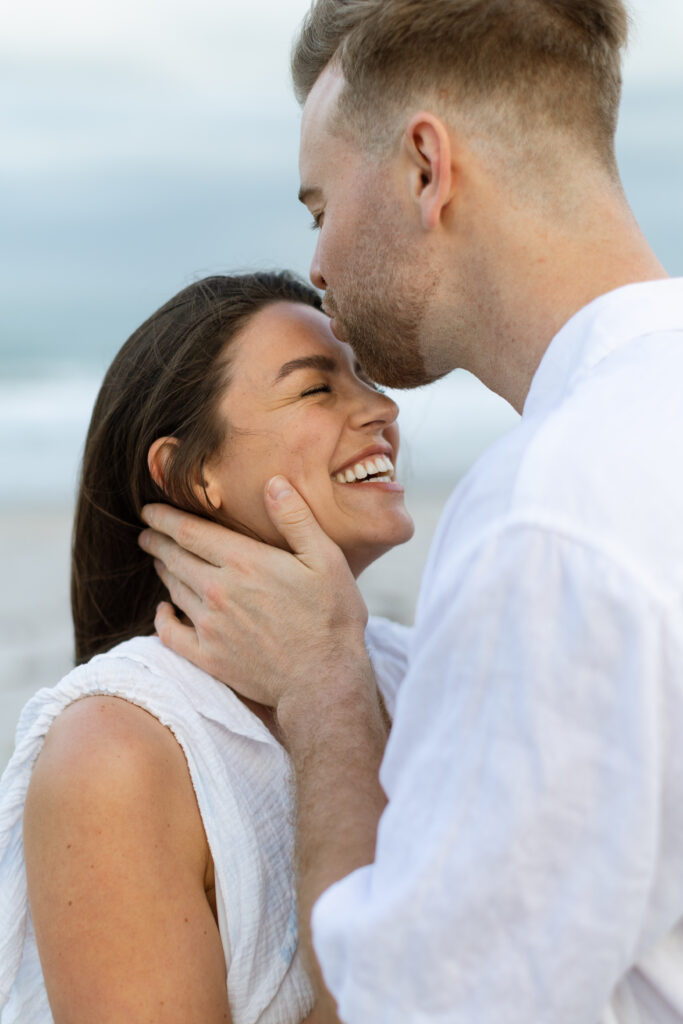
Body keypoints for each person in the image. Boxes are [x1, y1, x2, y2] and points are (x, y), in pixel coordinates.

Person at [137, 1, 683, 1021]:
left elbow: (415, 1003)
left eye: (318, 205)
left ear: (424, 167)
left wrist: (322, 684)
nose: (318, 263)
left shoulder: (555, 513)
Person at [0, 271, 415, 1024]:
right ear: (193, 473)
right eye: (316, 390)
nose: (383, 408)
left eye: (367, 377)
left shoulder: (422, 668)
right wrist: (326, 679)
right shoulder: (118, 749)